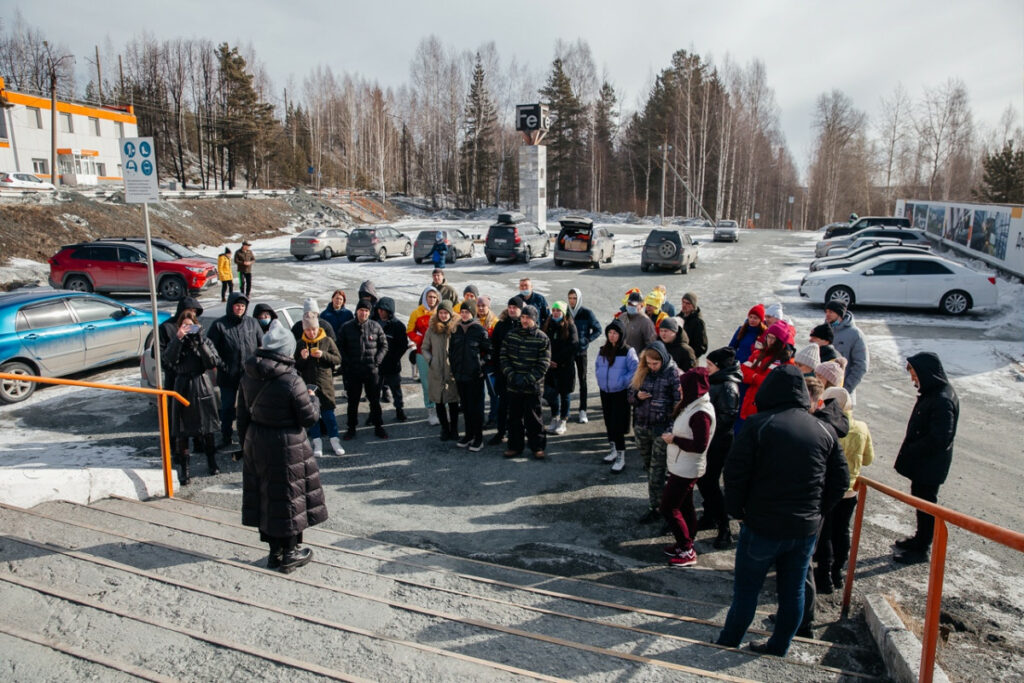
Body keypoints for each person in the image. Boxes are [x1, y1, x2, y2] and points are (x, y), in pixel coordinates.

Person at [716, 365, 849, 657]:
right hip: (804, 529)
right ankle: (779, 646)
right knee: (793, 591)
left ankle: (728, 642)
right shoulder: (824, 429)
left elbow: (735, 473)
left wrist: (737, 511)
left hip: (761, 525)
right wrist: (817, 511)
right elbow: (840, 480)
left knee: (747, 591)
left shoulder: (758, 424)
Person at [237, 318, 326, 574]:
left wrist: (245, 445)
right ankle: (290, 553)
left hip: (257, 441)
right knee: (290, 497)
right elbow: (309, 417)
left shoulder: (250, 374)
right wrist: (313, 398)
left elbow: (241, 415)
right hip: (287, 445)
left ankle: (274, 553)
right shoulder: (291, 380)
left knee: (266, 496)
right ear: (286, 351)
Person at [893, 352, 959, 564]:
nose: (913, 380)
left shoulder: (942, 400)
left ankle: (922, 548)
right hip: (925, 465)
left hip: (929, 466)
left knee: (927, 504)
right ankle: (920, 538)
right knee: (922, 502)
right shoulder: (936, 392)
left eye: (914, 375)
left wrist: (913, 450)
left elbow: (940, 438)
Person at [815, 386, 873, 591]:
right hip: (851, 489)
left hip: (829, 487)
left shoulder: (828, 424)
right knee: (842, 530)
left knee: (826, 532)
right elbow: (868, 459)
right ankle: (838, 572)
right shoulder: (862, 428)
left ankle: (823, 574)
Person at [660, 367, 716, 568]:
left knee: (668, 507)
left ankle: (686, 549)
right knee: (685, 505)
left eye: (683, 387)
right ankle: (687, 541)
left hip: (686, 466)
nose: (680, 390)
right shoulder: (694, 405)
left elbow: (699, 446)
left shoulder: (700, 414)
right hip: (682, 464)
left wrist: (675, 440)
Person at [164, 310, 222, 485]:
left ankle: (212, 463)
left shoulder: (203, 341)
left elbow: (212, 362)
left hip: (202, 384)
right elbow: (168, 360)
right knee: (182, 431)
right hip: (182, 386)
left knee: (208, 428)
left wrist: (200, 342)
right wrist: (178, 339)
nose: (189, 329)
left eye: (191, 325)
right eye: (185, 326)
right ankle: (185, 471)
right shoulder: (177, 341)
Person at [629, 341, 682, 523]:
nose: (652, 367)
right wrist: (636, 396)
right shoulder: (642, 370)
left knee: (657, 472)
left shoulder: (674, 374)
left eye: (655, 364)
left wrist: (670, 430)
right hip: (643, 426)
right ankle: (658, 505)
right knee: (650, 469)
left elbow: (679, 404)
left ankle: (659, 508)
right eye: (649, 363)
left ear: (663, 359)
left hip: (662, 430)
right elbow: (629, 393)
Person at [696, 347, 742, 549]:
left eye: (710, 365)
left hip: (719, 442)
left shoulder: (727, 387)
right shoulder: (716, 382)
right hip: (711, 440)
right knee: (704, 481)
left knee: (710, 484)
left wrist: (705, 427)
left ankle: (725, 528)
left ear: (720, 367)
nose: (707, 368)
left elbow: (726, 418)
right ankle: (709, 516)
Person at [207, 293, 262, 450]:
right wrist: (222, 365)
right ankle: (226, 436)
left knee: (251, 406)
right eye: (237, 305)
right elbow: (211, 349)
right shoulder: (219, 325)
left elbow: (261, 345)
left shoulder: (252, 323)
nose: (240, 308)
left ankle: (250, 436)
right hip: (228, 375)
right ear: (231, 306)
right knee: (227, 407)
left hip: (250, 375)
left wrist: (257, 364)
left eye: (243, 306)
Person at [501, 305, 551, 459]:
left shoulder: (542, 338)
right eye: (522, 317)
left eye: (527, 318)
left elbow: (544, 363)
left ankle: (537, 447)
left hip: (532, 387)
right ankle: (515, 447)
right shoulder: (511, 335)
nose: (524, 320)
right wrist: (512, 375)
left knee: (534, 418)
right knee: (514, 418)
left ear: (534, 319)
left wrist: (527, 379)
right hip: (514, 385)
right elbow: (503, 357)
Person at [338, 300, 388, 440]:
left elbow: (384, 345)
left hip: (371, 372)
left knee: (374, 401)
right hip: (353, 372)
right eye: (361, 310)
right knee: (353, 402)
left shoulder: (375, 326)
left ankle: (378, 427)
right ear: (356, 311)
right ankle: (351, 428)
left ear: (369, 312)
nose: (364, 313)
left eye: (366, 311)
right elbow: (340, 347)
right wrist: (347, 363)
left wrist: (377, 361)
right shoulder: (346, 327)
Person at [295, 311, 343, 457]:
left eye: (314, 329)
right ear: (304, 330)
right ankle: (317, 443)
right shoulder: (301, 344)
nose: (311, 332)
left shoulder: (327, 341)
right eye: (308, 329)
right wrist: (302, 358)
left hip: (325, 384)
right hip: (308, 386)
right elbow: (296, 367)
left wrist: (324, 355)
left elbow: (338, 359)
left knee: (329, 414)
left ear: (318, 327)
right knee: (312, 415)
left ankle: (335, 441)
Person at [595, 319, 638, 474]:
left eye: (615, 333)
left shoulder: (628, 351)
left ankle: (621, 455)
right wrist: (600, 380)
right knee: (608, 420)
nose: (612, 336)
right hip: (605, 391)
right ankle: (612, 449)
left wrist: (621, 382)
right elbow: (598, 366)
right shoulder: (602, 350)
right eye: (610, 333)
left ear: (621, 335)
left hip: (619, 392)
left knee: (617, 423)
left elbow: (635, 370)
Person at [737, 320, 795, 430]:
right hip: (749, 401)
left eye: (774, 338)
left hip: (765, 407)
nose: (770, 341)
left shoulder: (786, 361)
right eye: (769, 337)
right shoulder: (758, 353)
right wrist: (757, 378)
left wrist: (754, 377)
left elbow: (775, 384)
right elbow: (743, 371)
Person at [450, 299, 490, 450]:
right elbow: (452, 351)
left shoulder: (479, 330)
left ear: (472, 313)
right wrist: (454, 367)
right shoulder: (457, 329)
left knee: (476, 408)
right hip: (460, 376)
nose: (464, 315)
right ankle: (468, 435)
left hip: (474, 376)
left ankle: (478, 438)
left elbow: (490, 352)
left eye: (467, 312)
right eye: (462, 312)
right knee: (465, 407)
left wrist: (479, 365)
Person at [421, 301, 460, 441]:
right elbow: (424, 348)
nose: (443, 316)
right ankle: (445, 428)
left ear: (450, 313)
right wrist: (431, 360)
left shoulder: (457, 328)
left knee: (454, 401)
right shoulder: (432, 328)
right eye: (441, 313)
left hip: (452, 370)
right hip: (436, 370)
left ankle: (454, 429)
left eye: (446, 313)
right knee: (439, 401)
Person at [489, 296, 523, 445]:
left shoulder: (525, 325)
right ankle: (501, 432)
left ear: (521, 309)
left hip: (520, 374)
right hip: (503, 373)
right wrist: (498, 369)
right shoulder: (501, 325)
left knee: (519, 407)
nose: (511, 309)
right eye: (510, 307)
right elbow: (494, 348)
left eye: (515, 307)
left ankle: (517, 433)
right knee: (502, 405)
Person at [542, 301, 579, 435]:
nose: (555, 313)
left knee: (565, 394)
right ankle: (555, 417)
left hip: (565, 367)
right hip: (550, 366)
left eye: (558, 311)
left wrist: (557, 360)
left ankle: (563, 419)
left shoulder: (570, 326)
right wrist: (549, 360)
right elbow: (543, 342)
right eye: (554, 310)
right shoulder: (547, 325)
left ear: (563, 313)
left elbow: (573, 345)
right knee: (552, 394)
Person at [567, 288, 601, 424]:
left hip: (581, 352)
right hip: (568, 352)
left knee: (583, 381)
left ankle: (583, 410)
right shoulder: (566, 312)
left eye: (575, 298)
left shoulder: (586, 313)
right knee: (568, 380)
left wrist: (587, 340)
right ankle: (566, 410)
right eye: (570, 298)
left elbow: (598, 329)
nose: (572, 301)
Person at [408, 286, 441, 424]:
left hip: (439, 354)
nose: (432, 300)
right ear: (424, 298)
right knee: (427, 384)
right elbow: (410, 331)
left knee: (441, 382)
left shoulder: (442, 312)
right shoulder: (417, 313)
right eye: (429, 297)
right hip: (422, 353)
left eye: (434, 297)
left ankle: (443, 410)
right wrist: (421, 340)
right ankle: (431, 410)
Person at [157, 296, 203, 391]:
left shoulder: (197, 328)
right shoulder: (166, 328)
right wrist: (174, 368)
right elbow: (158, 354)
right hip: (174, 379)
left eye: (194, 311)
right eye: (189, 310)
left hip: (196, 380)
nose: (191, 313)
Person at [375, 297, 409, 422]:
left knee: (396, 390)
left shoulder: (398, 326)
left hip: (392, 365)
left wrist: (394, 358)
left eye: (383, 310)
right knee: (374, 391)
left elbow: (403, 345)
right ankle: (373, 414)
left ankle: (399, 410)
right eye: (379, 309)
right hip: (377, 365)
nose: (380, 312)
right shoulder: (374, 323)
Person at [825, 301, 868, 395]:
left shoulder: (855, 334)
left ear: (840, 314)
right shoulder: (823, 330)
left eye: (831, 312)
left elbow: (861, 366)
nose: (827, 315)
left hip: (841, 392)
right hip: (822, 390)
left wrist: (845, 389)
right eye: (826, 311)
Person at [474, 296, 500, 427]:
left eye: (483, 306)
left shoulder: (494, 322)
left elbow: (496, 345)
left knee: (493, 392)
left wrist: (489, 358)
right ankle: (479, 417)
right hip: (477, 363)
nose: (481, 308)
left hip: (490, 363)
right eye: (479, 306)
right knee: (478, 393)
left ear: (488, 307)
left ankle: (493, 417)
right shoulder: (474, 321)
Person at [678, 292, 708, 359]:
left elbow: (702, 347)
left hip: (689, 360)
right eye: (683, 302)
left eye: (688, 303)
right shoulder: (679, 317)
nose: (684, 305)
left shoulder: (698, 322)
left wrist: (690, 356)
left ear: (693, 305)